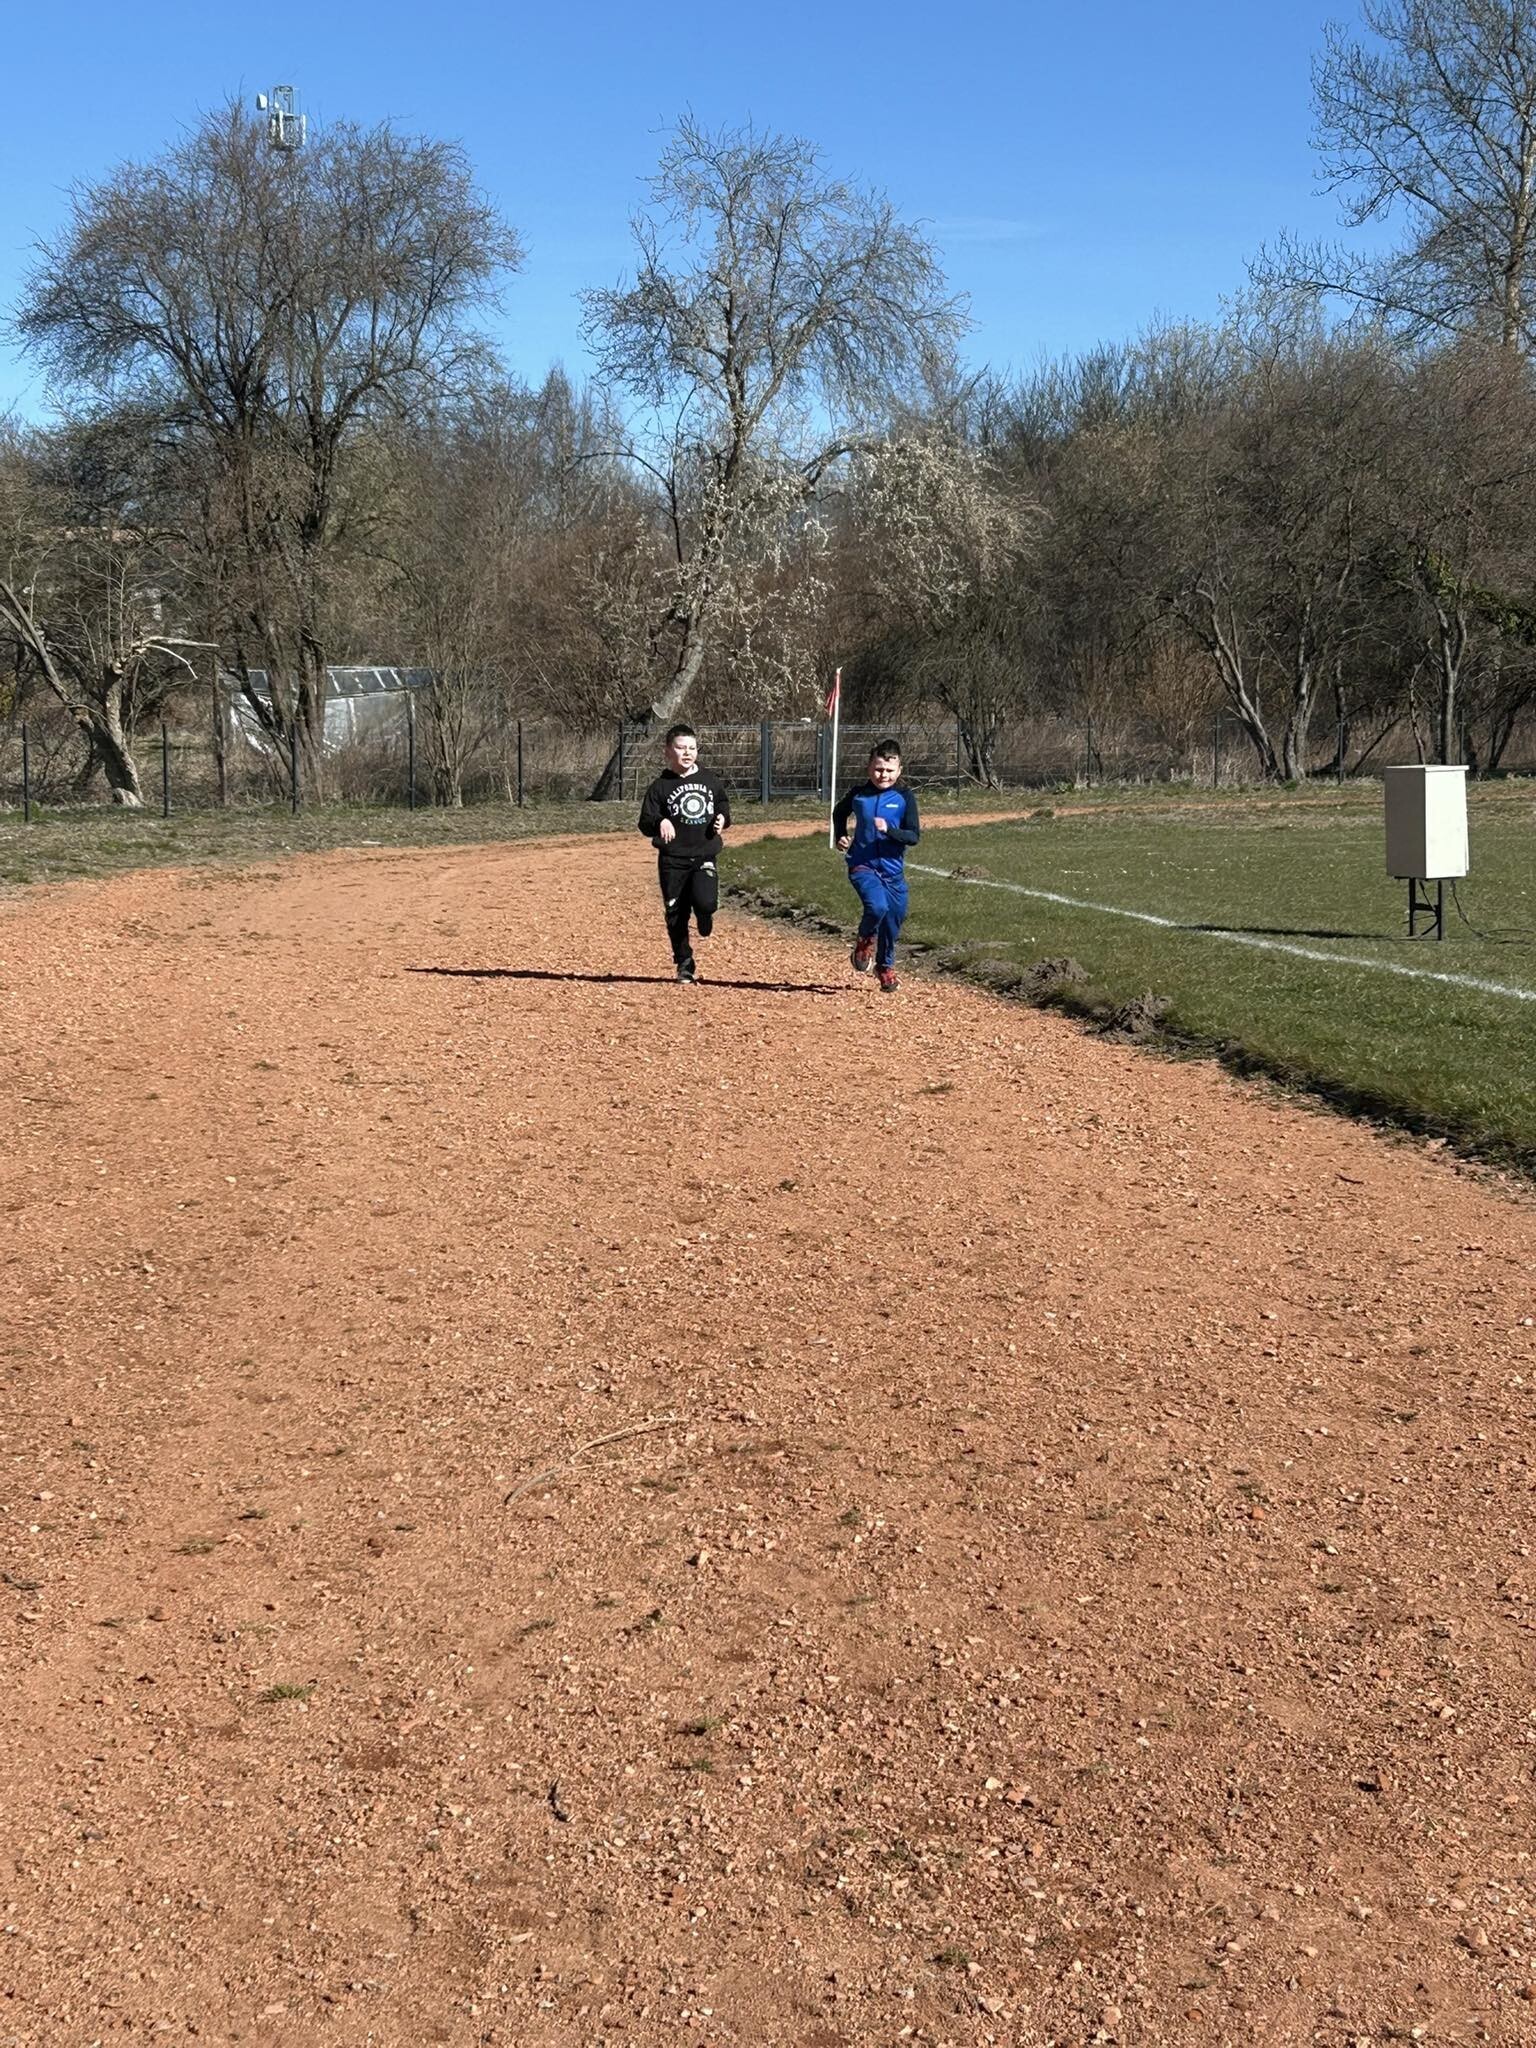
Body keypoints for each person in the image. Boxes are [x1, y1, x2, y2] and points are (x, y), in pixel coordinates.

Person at [637, 723, 733, 982]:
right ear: (668, 751)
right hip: (672, 858)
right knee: (675, 912)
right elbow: (645, 821)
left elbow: (722, 803)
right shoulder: (660, 787)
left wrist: (722, 818)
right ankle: (684, 962)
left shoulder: (709, 780)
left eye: (692, 748)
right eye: (681, 748)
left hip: (703, 853)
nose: (687, 753)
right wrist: (660, 821)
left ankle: (704, 914)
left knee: (706, 901)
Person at [833, 739, 921, 992]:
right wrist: (841, 834)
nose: (883, 775)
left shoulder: (904, 797)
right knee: (877, 906)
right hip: (862, 864)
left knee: (893, 919)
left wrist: (890, 830)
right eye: (878, 769)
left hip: (893, 871)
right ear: (869, 768)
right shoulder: (859, 794)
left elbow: (913, 836)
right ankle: (864, 941)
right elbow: (839, 812)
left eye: (889, 770)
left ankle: (885, 967)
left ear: (899, 770)